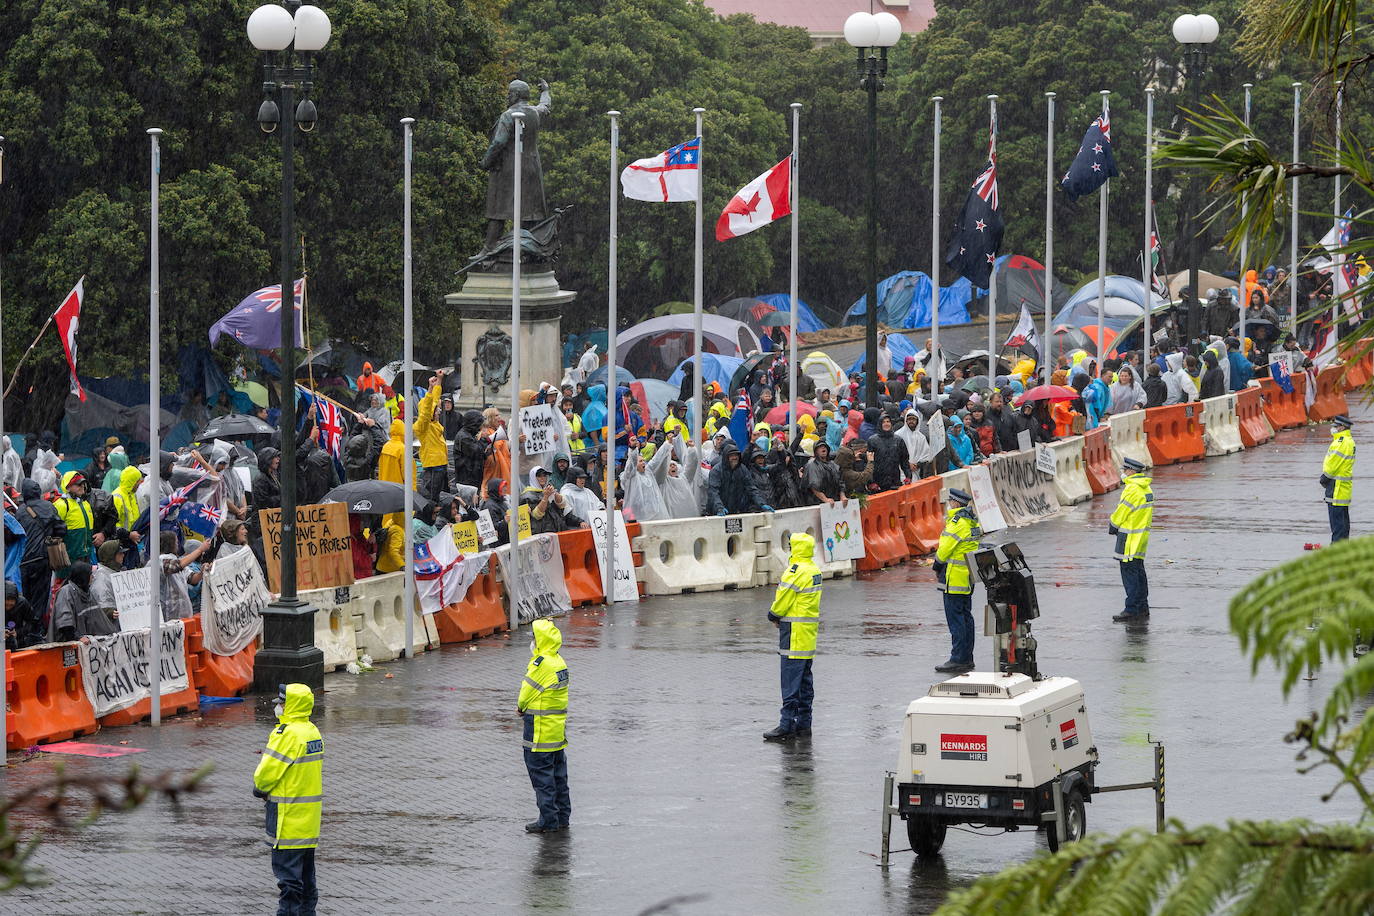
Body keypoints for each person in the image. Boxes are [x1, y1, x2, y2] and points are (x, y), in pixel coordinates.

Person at [253, 683, 324, 916]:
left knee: (289, 883)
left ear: (290, 705)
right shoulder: (312, 731)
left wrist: (259, 788)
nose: (278, 708)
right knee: (306, 880)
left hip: (287, 818)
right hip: (308, 822)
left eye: (281, 704)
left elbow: (267, 773)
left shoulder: (287, 735)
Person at [763, 532, 822, 742]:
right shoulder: (814, 570)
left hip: (793, 634)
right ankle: (804, 724)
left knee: (790, 682)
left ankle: (786, 725)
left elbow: (783, 599)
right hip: (807, 636)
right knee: (805, 682)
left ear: (795, 549)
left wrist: (772, 615)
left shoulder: (795, 571)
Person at [518, 617, 571, 833]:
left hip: (539, 731)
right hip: (556, 731)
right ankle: (562, 817)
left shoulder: (541, 664)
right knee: (559, 776)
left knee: (542, 778)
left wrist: (520, 707)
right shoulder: (559, 661)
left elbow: (526, 693)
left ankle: (548, 820)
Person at [933, 489, 982, 674]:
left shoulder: (957, 522)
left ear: (955, 503)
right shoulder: (971, 521)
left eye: (950, 501)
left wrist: (936, 565)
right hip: (967, 578)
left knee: (956, 620)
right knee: (966, 618)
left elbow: (944, 549)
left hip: (954, 577)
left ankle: (958, 659)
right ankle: (967, 657)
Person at [1108, 457, 1154, 622]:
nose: (1123, 473)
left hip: (1128, 540)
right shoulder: (1146, 489)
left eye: (1125, 470)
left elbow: (1122, 512)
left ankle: (1132, 609)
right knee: (1139, 573)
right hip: (1141, 539)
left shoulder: (1132, 489)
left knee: (1130, 575)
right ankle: (1142, 607)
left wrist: (1112, 525)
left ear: (1132, 471)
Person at [16, 478, 63, 615]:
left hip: (24, 561)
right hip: (43, 558)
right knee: (40, 597)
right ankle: (36, 631)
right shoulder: (48, 506)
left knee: (26, 596)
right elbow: (61, 529)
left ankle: (26, 630)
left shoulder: (20, 511)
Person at [49, 561, 117, 640]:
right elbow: (65, 623)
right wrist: (77, 637)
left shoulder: (87, 593)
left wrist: (109, 613)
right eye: (90, 575)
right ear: (83, 576)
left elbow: (97, 616)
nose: (93, 577)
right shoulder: (66, 593)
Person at [414, 374, 451, 503]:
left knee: (443, 497)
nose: (439, 411)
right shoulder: (423, 425)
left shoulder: (434, 423)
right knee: (433, 499)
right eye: (436, 410)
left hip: (441, 464)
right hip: (433, 468)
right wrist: (429, 388)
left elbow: (434, 400)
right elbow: (426, 410)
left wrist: (439, 381)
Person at [706, 443, 769, 515]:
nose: (734, 458)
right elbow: (713, 491)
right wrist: (719, 507)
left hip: (735, 511)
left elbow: (751, 488)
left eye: (736, 455)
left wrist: (761, 503)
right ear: (726, 457)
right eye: (731, 455)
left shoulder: (742, 469)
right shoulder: (716, 471)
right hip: (717, 512)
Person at [1320, 414, 1356, 542]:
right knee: (1343, 523)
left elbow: (1333, 464)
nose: (1333, 428)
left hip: (1336, 487)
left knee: (1338, 525)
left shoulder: (1341, 442)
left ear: (1342, 427)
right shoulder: (1348, 441)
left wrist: (1324, 478)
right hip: (1342, 488)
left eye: (1336, 426)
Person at [53, 471, 95, 572]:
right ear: (67, 487)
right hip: (69, 557)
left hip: (86, 554)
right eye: (78, 484)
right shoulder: (61, 505)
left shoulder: (85, 504)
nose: (82, 487)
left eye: (83, 484)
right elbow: (53, 533)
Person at [804, 442, 844, 506]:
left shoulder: (833, 465)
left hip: (834, 501)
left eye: (825, 446)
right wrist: (825, 499)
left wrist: (842, 496)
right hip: (817, 503)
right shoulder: (812, 465)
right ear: (816, 451)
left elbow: (840, 482)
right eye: (820, 447)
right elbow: (813, 486)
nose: (823, 448)